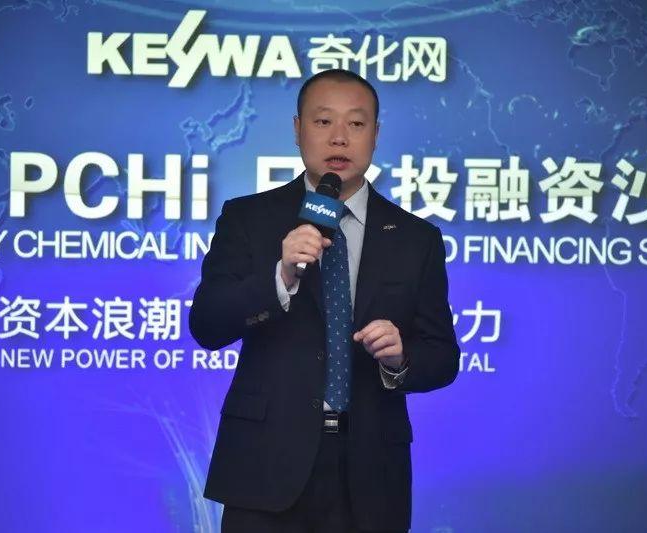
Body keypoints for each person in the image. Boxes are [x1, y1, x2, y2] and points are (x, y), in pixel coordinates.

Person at [189, 69, 459, 532]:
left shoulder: (417, 239)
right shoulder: (248, 218)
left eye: (356, 123)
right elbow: (207, 325)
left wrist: (399, 359)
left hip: (370, 473)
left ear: (376, 134)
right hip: (265, 467)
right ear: (298, 130)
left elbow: (443, 358)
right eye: (323, 121)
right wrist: (279, 277)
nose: (339, 137)